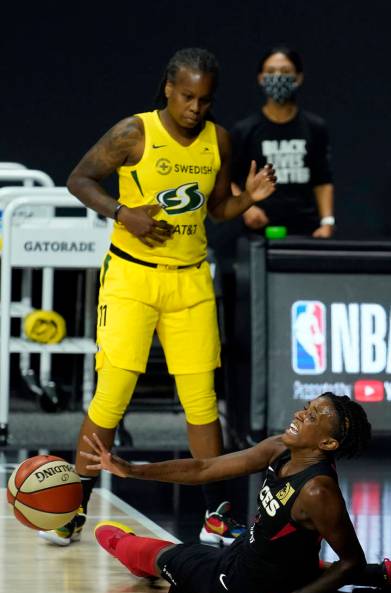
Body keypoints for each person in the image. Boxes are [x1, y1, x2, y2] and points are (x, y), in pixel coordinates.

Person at [38, 47, 276, 548]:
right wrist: (123, 213)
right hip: (132, 278)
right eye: (187, 96)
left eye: (204, 99)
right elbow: (79, 179)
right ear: (168, 87)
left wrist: (248, 198)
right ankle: (70, 507)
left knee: (201, 404)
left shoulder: (219, 140)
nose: (195, 107)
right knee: (112, 394)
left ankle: (216, 516)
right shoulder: (134, 132)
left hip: (190, 280)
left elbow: (217, 208)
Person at [81, 393, 391, 593]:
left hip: (239, 583)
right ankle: (390, 574)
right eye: (307, 407)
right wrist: (131, 470)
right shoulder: (280, 447)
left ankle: (138, 556)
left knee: (126, 544)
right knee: (282, 557)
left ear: (328, 442)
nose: (301, 414)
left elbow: (350, 561)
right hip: (271, 561)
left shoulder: (317, 491)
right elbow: (205, 468)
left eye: (314, 416)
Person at [231, 45, 335, 237]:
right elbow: (227, 179)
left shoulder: (315, 127)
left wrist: (327, 222)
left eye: (285, 71)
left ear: (298, 78)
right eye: (271, 72)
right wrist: (246, 208)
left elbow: (323, 179)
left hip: (307, 231)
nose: (278, 77)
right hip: (259, 232)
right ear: (261, 78)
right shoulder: (244, 130)